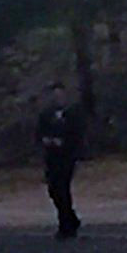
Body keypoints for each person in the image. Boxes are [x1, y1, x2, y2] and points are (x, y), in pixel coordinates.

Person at [36, 81, 85, 239]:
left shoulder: (74, 114)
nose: (58, 98)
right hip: (51, 157)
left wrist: (66, 144)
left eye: (61, 95)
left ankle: (65, 224)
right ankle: (71, 218)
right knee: (54, 190)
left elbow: (78, 135)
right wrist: (46, 141)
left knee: (63, 189)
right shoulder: (46, 115)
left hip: (67, 157)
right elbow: (38, 134)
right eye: (55, 95)